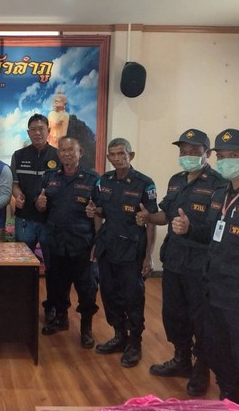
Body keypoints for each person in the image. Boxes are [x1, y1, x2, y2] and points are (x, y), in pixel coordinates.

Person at [172, 129, 239, 410]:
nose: (226, 161)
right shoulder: (219, 194)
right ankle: (228, 398)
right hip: (213, 292)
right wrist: (189, 229)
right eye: (221, 156)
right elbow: (212, 235)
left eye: (233, 155)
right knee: (217, 353)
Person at [136, 129, 226, 396]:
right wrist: (149, 217)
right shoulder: (176, 180)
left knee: (201, 319)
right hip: (174, 261)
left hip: (201, 265)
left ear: (207, 154)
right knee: (174, 315)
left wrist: (189, 229)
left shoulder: (219, 184)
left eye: (193, 151)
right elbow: (165, 215)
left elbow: (217, 229)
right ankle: (181, 359)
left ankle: (201, 369)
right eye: (183, 151)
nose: (187, 156)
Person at [87, 137, 157, 368]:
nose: (117, 158)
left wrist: (148, 256)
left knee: (132, 296)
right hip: (107, 247)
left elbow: (151, 221)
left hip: (131, 249)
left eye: (121, 154)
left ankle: (135, 342)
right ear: (108, 157)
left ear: (131, 155)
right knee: (109, 293)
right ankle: (119, 335)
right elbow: (99, 211)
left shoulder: (144, 183)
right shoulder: (104, 180)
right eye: (113, 154)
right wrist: (96, 237)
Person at [35, 136, 100, 347]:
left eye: (71, 150)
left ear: (80, 152)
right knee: (57, 285)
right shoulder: (50, 177)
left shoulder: (93, 179)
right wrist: (39, 203)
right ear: (58, 154)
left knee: (87, 288)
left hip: (82, 244)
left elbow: (102, 211)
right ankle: (61, 319)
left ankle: (86, 328)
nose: (66, 154)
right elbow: (41, 207)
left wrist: (96, 212)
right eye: (62, 150)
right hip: (56, 242)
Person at [10, 113, 59, 255]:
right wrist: (18, 196)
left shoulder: (58, 155)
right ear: (28, 132)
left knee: (52, 261)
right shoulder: (18, 155)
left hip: (50, 219)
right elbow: (14, 183)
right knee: (23, 260)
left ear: (48, 131)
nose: (37, 133)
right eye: (33, 129)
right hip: (25, 217)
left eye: (41, 129)